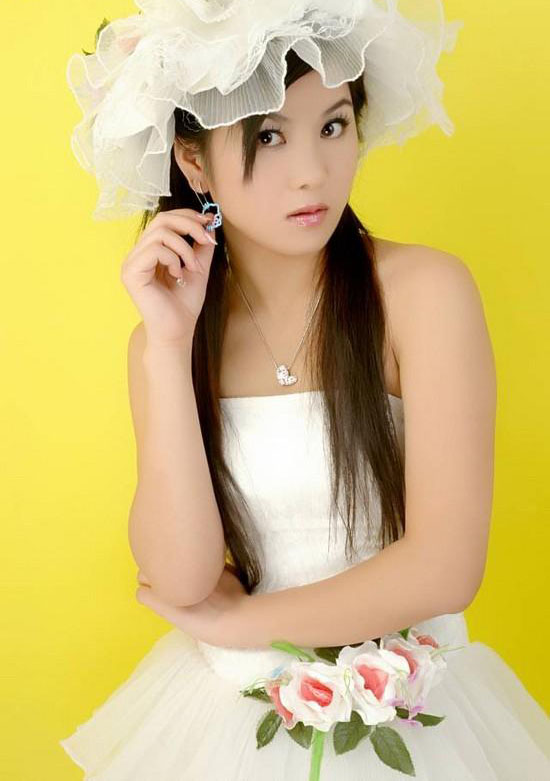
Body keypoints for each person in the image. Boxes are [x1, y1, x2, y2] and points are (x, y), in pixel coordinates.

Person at [59, 1, 550, 778]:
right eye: (269, 136)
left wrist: (244, 623)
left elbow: (447, 566)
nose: (312, 172)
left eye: (333, 125)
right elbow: (182, 576)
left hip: (410, 705)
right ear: (193, 162)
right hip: (229, 718)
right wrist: (167, 347)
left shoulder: (423, 292)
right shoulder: (167, 341)